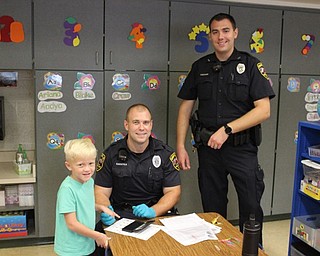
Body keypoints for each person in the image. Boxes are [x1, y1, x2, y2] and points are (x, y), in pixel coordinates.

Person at [176, 13, 275, 245]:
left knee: (251, 205)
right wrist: (180, 145)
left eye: (226, 31)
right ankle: (218, 249)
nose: (221, 36)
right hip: (209, 149)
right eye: (216, 32)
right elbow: (185, 108)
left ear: (235, 33)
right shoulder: (200, 67)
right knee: (213, 209)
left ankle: (252, 248)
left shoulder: (250, 65)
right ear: (210, 36)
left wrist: (227, 129)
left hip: (242, 149)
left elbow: (264, 110)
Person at [93, 103, 181, 255]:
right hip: (120, 216)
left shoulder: (165, 153)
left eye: (146, 122)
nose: (142, 128)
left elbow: (174, 192)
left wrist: (153, 211)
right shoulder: (111, 154)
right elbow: (100, 192)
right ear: (126, 125)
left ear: (151, 125)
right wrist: (107, 211)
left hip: (156, 216)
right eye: (136, 122)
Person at [54, 138, 116, 256]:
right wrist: (97, 235)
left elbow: (84, 204)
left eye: (91, 163)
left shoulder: (89, 182)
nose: (87, 169)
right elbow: (71, 223)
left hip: (86, 243)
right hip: (71, 249)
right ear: (69, 166)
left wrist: (101, 207)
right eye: (81, 165)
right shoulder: (67, 189)